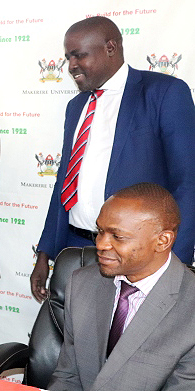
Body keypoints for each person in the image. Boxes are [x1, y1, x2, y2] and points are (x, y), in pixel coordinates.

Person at [31, 16, 195, 302]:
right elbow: (65, 182)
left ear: (110, 47)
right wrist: (45, 253)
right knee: (78, 340)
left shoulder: (164, 93)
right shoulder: (76, 106)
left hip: (137, 256)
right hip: (76, 250)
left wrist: (174, 262)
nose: (71, 66)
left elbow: (188, 182)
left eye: (79, 55)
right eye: (68, 57)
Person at [48, 183, 195, 390]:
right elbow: (68, 376)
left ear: (162, 241)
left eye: (117, 237)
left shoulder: (190, 308)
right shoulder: (82, 283)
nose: (101, 244)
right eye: (99, 231)